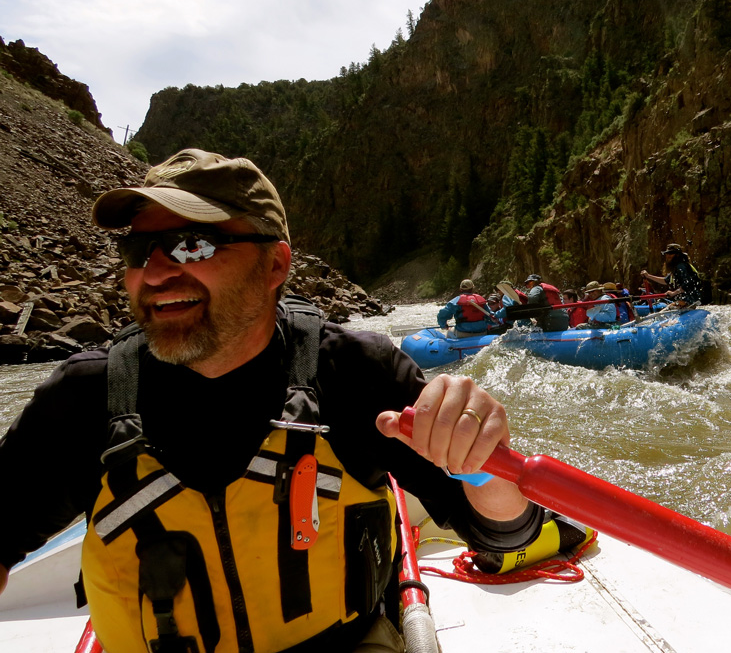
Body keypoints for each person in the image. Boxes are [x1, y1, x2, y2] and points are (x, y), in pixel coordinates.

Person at [0, 149, 543, 653]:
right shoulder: (82, 397)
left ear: (275, 266)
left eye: (193, 244)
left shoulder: (357, 373)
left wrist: (483, 463)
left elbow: (505, 534)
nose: (156, 273)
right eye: (137, 251)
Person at [640, 243, 703, 308]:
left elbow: (687, 283)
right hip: (687, 298)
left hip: (691, 299)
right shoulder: (676, 268)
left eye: (671, 254)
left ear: (677, 255)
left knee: (669, 308)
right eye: (667, 253)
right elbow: (665, 281)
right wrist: (648, 276)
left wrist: (673, 293)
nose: (668, 256)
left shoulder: (681, 266)